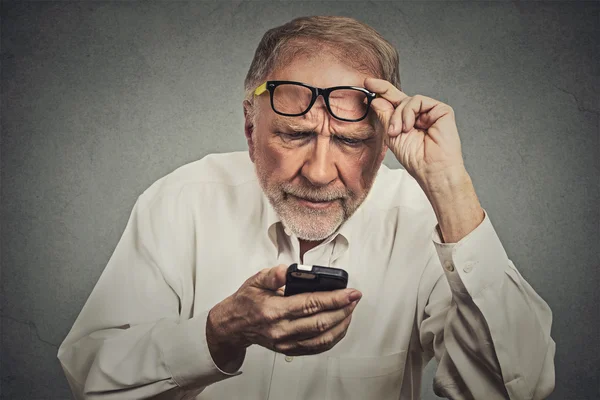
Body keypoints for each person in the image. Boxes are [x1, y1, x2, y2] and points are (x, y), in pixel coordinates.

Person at [58, 16, 555, 400]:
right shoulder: (181, 200)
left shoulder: (428, 220)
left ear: (383, 147)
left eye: (350, 141)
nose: (319, 172)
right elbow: (91, 376)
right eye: (295, 135)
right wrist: (219, 333)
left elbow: (517, 389)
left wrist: (450, 188)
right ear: (251, 131)